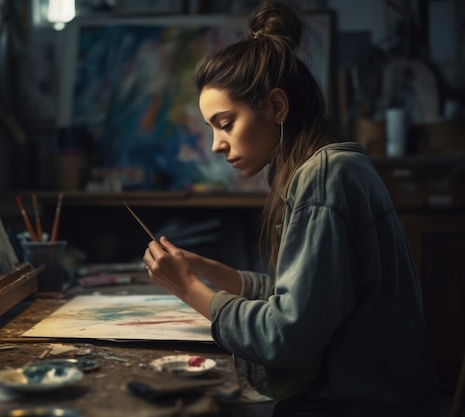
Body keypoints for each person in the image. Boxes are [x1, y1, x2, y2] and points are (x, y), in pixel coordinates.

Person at [141, 2, 439, 416]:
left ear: (276, 108)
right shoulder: (327, 166)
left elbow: (287, 336)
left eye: (226, 124)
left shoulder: (325, 176)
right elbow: (308, 300)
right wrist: (209, 271)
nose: (216, 145)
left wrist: (189, 289)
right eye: (211, 128)